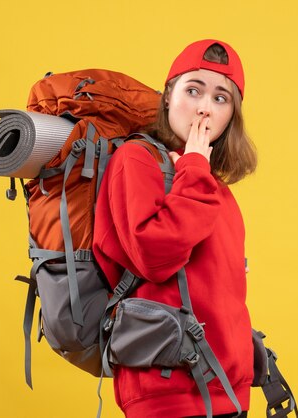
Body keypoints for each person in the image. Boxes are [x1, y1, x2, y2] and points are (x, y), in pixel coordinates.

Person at [92, 39, 257, 418]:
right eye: (193, 90)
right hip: (170, 395)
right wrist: (195, 167)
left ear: (232, 114)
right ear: (168, 96)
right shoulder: (137, 160)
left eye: (221, 98)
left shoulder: (210, 183)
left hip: (226, 391)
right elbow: (154, 257)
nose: (204, 107)